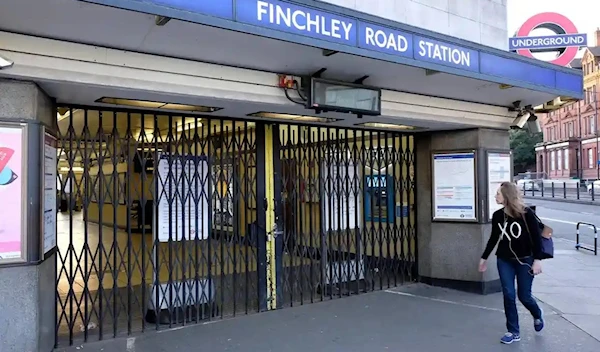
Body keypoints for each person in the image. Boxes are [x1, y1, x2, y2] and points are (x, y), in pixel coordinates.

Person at [479, 181, 545, 344]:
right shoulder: (497, 216)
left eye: (498, 194)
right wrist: (484, 257)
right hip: (504, 260)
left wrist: (537, 260)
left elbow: (537, 239)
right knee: (508, 294)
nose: (495, 196)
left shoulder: (526, 214)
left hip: (525, 260)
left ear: (507, 196)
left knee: (524, 296)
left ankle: (537, 314)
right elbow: (494, 238)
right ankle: (513, 331)